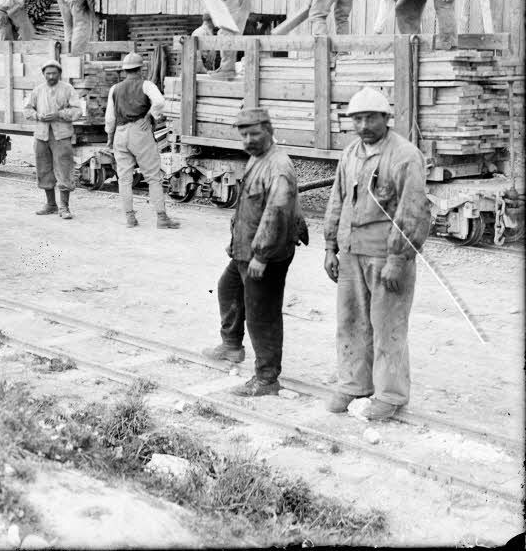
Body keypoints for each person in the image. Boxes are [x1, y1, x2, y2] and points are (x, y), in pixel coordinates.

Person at [323, 87, 432, 421]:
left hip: (387, 258)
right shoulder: (351, 153)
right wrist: (330, 246)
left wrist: (398, 260)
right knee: (351, 323)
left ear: (387, 118)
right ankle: (354, 385)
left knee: (388, 327)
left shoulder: (405, 155)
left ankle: (391, 395)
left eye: (371, 117)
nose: (364, 124)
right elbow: (337, 200)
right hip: (352, 253)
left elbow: (413, 210)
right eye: (357, 118)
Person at [201, 109, 307, 396]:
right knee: (228, 288)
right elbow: (248, 208)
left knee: (262, 314)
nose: (248, 140)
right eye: (243, 135)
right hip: (245, 249)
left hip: (266, 254)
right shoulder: (257, 158)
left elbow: (276, 213)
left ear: (269, 131)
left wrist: (261, 255)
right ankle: (232, 346)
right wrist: (236, 243)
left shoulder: (278, 166)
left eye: (254, 134)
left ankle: (266, 378)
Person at [105, 52, 179, 229]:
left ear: (124, 70)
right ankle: (161, 218)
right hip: (140, 131)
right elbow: (160, 101)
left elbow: (110, 118)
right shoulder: (146, 85)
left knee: (124, 179)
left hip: (120, 134)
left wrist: (110, 138)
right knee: (153, 177)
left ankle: (130, 218)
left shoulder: (115, 89)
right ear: (141, 68)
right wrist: (150, 115)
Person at [23, 60, 83, 220]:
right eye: (48, 73)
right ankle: (50, 204)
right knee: (43, 169)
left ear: (59, 74)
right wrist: (38, 116)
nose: (51, 76)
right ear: (43, 74)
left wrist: (60, 114)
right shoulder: (37, 90)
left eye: (54, 73)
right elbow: (27, 109)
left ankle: (64, 207)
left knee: (64, 169)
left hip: (61, 136)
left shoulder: (68, 89)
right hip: (41, 135)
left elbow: (78, 111)